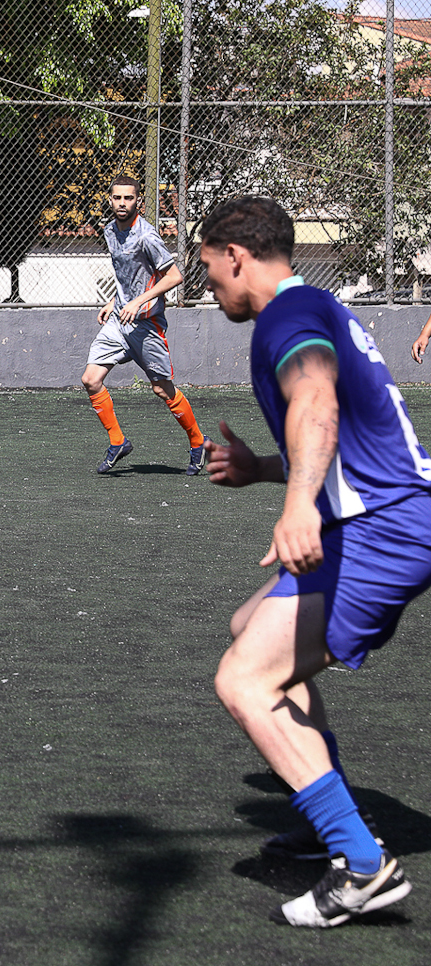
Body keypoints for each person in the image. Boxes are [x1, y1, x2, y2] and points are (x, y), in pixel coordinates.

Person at [202, 195, 425, 927]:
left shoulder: (287, 319)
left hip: (385, 531)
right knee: (248, 629)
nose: (208, 284)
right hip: (386, 516)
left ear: (237, 255)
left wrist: (297, 505)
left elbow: (319, 402)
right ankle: (319, 808)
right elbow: (340, 444)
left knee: (244, 679)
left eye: (208, 267)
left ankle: (361, 865)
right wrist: (263, 469)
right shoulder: (315, 306)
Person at [81, 175, 206, 475]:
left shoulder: (147, 236)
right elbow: (128, 274)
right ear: (110, 200)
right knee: (90, 379)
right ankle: (118, 441)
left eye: (129, 198)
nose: (123, 203)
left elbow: (174, 276)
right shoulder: (110, 231)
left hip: (146, 324)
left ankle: (198, 441)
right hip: (119, 321)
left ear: (139, 201)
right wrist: (116, 301)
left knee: (162, 390)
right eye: (117, 198)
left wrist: (138, 302)